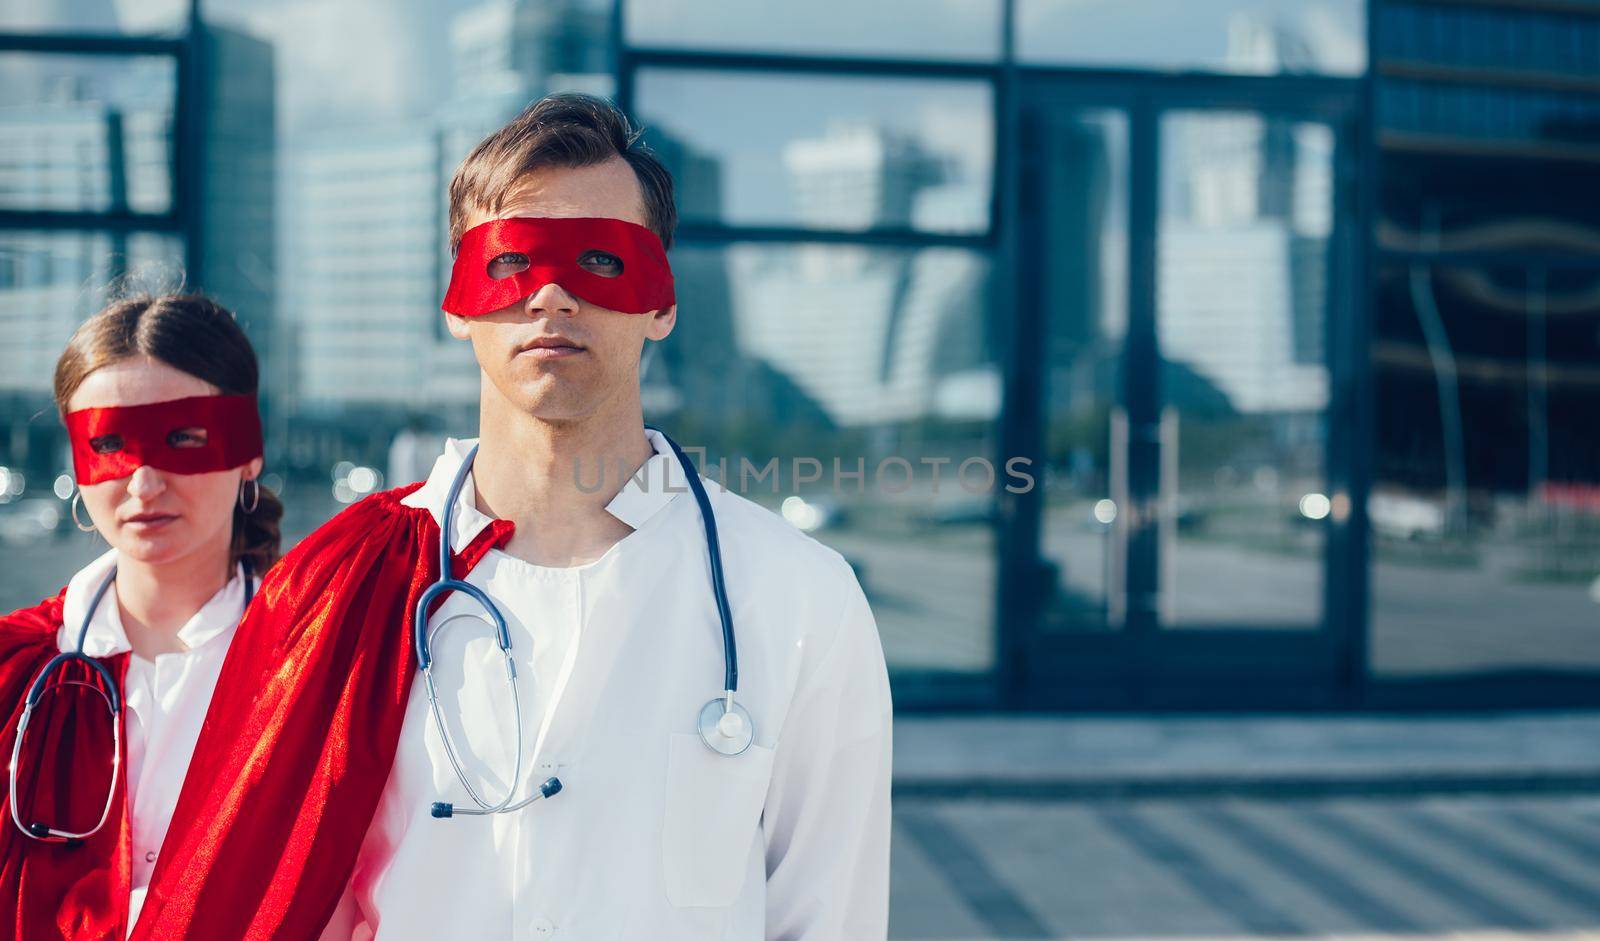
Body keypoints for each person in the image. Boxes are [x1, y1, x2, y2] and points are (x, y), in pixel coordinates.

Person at [130, 93, 894, 940]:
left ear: (663, 304)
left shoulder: (799, 599)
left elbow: (832, 916)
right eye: (512, 262)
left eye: (603, 260)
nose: (554, 297)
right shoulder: (336, 588)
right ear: (457, 307)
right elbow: (278, 900)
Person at [0, 293, 282, 939]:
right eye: (109, 443)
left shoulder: (322, 664)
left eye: (183, 437)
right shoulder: (11, 669)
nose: (144, 481)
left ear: (249, 452)